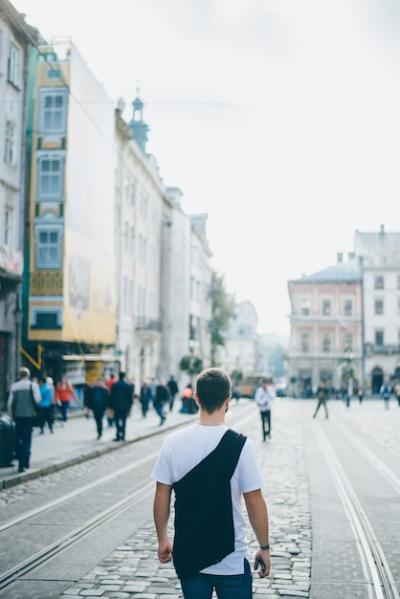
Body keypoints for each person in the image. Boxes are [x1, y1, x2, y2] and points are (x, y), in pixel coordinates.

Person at [152, 368, 270, 599]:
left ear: (196, 397)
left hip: (189, 555)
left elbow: (161, 495)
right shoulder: (241, 446)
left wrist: (162, 539)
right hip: (230, 558)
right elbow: (254, 501)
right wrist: (264, 548)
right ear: (228, 401)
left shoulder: (172, 443)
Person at [8, 367, 41, 473]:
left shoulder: (15, 386)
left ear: (20, 375)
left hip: (18, 417)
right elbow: (38, 400)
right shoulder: (33, 385)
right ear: (28, 375)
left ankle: (20, 461)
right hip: (29, 416)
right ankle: (25, 463)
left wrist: (11, 416)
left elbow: (10, 403)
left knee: (19, 439)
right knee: (27, 440)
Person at [110, 372, 133, 441]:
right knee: (124, 421)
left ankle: (117, 435)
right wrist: (129, 407)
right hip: (125, 407)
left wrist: (111, 406)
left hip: (116, 407)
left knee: (116, 421)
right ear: (124, 377)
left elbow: (111, 396)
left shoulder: (114, 385)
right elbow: (130, 398)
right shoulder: (127, 386)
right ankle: (123, 435)